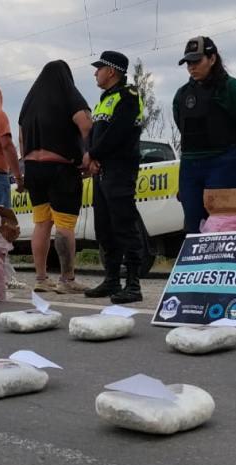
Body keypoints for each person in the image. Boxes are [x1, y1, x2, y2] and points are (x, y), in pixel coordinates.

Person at [173, 36, 236, 233]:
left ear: (212, 59)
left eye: (197, 61)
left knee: (223, 225)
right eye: (188, 63)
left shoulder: (234, 90)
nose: (192, 67)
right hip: (191, 164)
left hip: (225, 162)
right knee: (193, 226)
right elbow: (181, 125)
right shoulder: (181, 95)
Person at [18, 60, 92, 294]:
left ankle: (41, 278)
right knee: (64, 225)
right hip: (61, 168)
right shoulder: (68, 93)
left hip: (33, 169)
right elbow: (86, 124)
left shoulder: (28, 102)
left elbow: (21, 139)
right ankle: (67, 280)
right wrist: (89, 154)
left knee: (41, 223)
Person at [82, 51, 144, 304]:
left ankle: (133, 284)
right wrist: (91, 156)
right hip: (102, 172)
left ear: (111, 71)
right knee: (104, 228)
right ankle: (111, 280)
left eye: (99, 68)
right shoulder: (104, 99)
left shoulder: (128, 97)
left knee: (124, 226)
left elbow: (118, 133)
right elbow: (94, 133)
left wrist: (93, 154)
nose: (95, 73)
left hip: (120, 170)